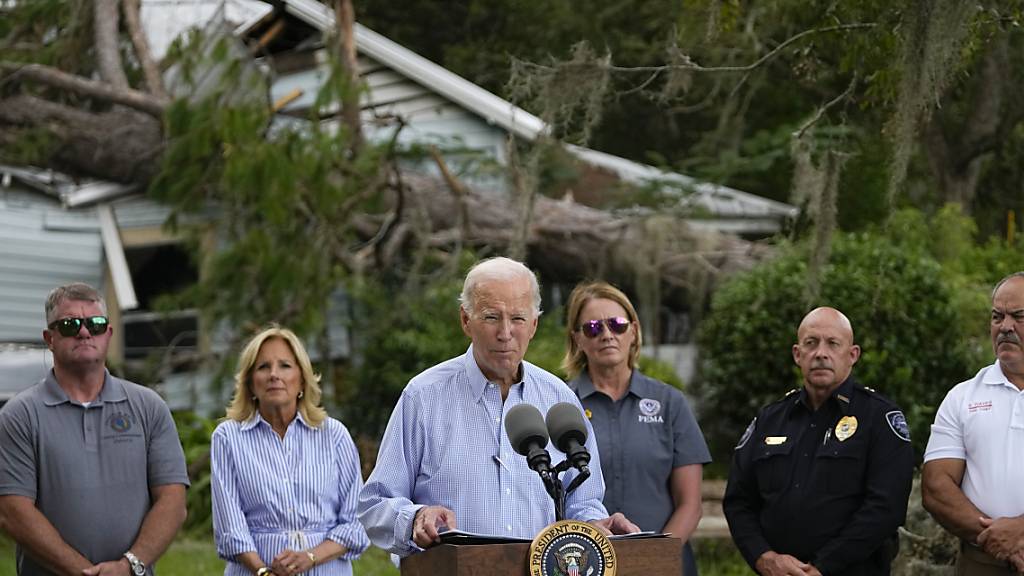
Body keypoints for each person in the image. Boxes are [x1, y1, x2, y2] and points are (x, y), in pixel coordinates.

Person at [357, 257, 639, 557]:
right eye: (491, 317)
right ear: (466, 320)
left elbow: (582, 501)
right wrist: (415, 518)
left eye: (517, 319)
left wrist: (596, 524)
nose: (505, 332)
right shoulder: (423, 397)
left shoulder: (560, 399)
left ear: (534, 325)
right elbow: (375, 504)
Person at [0, 282, 189, 576]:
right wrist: (84, 572)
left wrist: (130, 565)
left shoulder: (149, 406)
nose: (84, 332)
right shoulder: (19, 416)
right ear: (49, 338)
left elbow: (173, 501)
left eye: (96, 323)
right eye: (70, 324)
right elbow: (13, 512)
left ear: (108, 334)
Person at [723, 306, 914, 576]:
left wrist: (823, 566)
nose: (821, 353)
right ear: (797, 354)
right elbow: (738, 501)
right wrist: (764, 558)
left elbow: (886, 508)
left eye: (833, 344)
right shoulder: (771, 419)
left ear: (852, 355)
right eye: (811, 343)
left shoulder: (879, 418)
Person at [562, 281, 710, 576]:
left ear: (633, 330)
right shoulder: (561, 405)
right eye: (593, 328)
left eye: (616, 324)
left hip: (666, 564)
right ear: (577, 339)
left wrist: (654, 557)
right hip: (585, 565)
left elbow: (690, 504)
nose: (606, 335)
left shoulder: (669, 403)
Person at [211, 325, 369, 576]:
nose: (274, 374)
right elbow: (231, 527)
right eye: (263, 367)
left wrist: (310, 557)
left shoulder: (334, 434)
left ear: (302, 380)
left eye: (285, 365)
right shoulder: (228, 438)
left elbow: (356, 521)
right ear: (250, 383)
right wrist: (263, 571)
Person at [922, 272, 1024, 574]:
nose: (1006, 327)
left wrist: (1020, 530)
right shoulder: (962, 396)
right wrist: (997, 539)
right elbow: (936, 487)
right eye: (997, 317)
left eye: (1019, 316)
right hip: (981, 561)